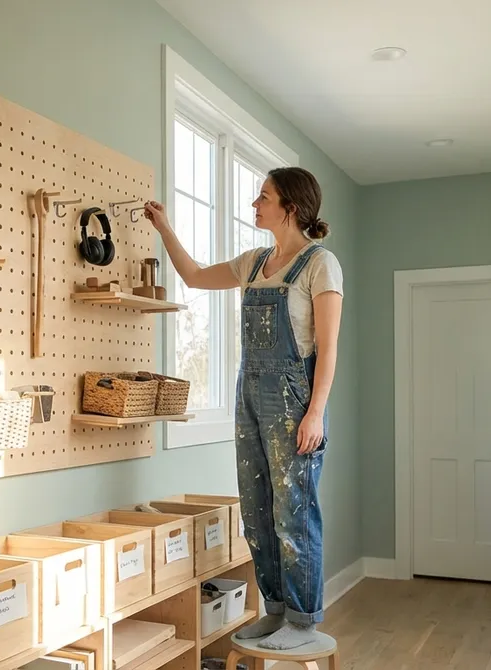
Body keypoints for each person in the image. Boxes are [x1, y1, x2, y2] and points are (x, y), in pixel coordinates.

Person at [143, 166, 343, 651]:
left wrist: (315, 412)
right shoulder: (253, 262)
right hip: (248, 394)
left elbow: (328, 349)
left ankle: (303, 621)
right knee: (257, 511)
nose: (255, 204)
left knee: (293, 512)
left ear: (289, 208)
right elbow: (191, 276)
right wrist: (165, 228)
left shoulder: (320, 264)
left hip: (294, 400)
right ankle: (275, 612)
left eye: (263, 196)